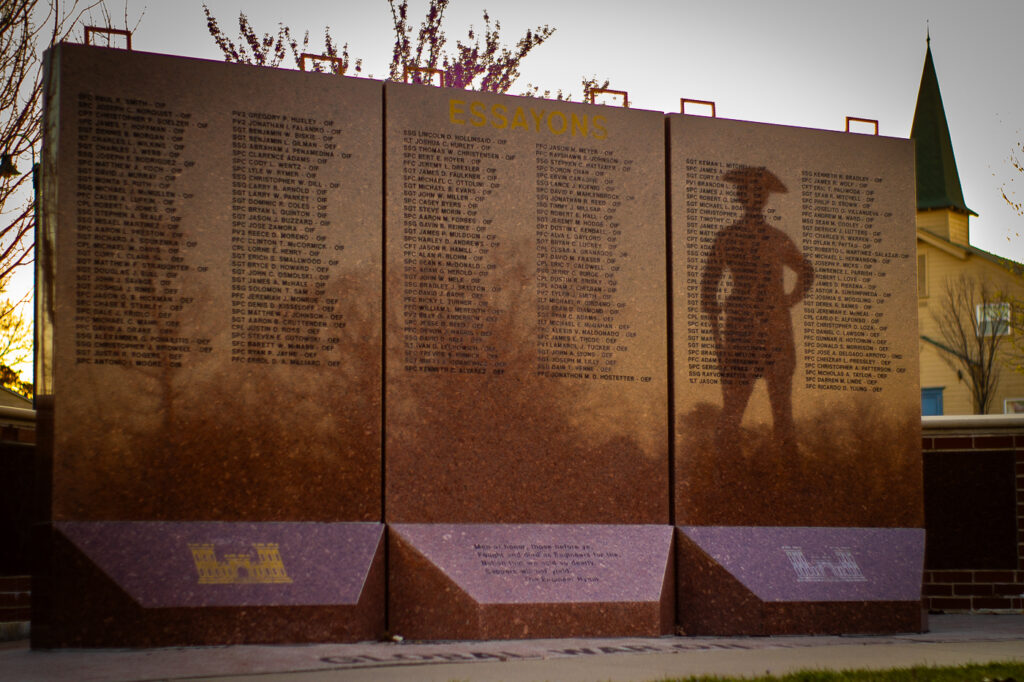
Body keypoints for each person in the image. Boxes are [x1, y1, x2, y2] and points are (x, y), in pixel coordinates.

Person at [700, 166, 813, 451]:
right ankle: (725, 469)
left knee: (782, 410)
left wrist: (790, 299)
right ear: (740, 195)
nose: (752, 196)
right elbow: (708, 283)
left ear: (764, 198)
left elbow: (806, 271)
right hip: (741, 328)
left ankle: (789, 471)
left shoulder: (777, 238)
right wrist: (712, 308)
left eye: (758, 191)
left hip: (774, 329)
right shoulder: (727, 237)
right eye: (747, 190)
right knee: (734, 407)